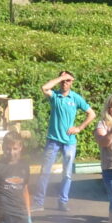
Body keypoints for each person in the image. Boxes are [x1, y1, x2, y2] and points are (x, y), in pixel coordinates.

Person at [36, 70, 94, 210]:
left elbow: (91, 114)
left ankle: (63, 201)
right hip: (53, 140)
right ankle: (38, 203)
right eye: (63, 80)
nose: (64, 83)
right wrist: (61, 77)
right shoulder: (55, 95)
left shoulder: (75, 98)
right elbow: (44, 88)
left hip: (69, 141)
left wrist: (79, 128)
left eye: (68, 80)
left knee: (67, 173)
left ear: (72, 82)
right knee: (45, 171)